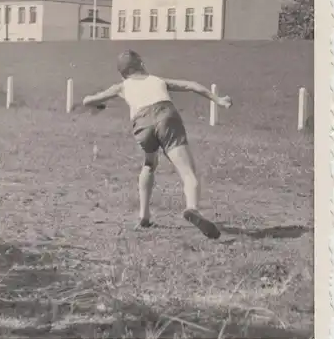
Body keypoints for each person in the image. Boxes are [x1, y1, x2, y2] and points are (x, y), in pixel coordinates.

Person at [83, 50, 232, 239]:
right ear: (142, 65)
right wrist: (218, 100)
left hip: (141, 124)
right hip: (165, 116)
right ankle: (192, 208)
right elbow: (192, 85)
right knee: (188, 172)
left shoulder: (121, 87)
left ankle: (144, 215)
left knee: (149, 164)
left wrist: (98, 106)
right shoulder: (157, 80)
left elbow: (87, 100)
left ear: (123, 72)